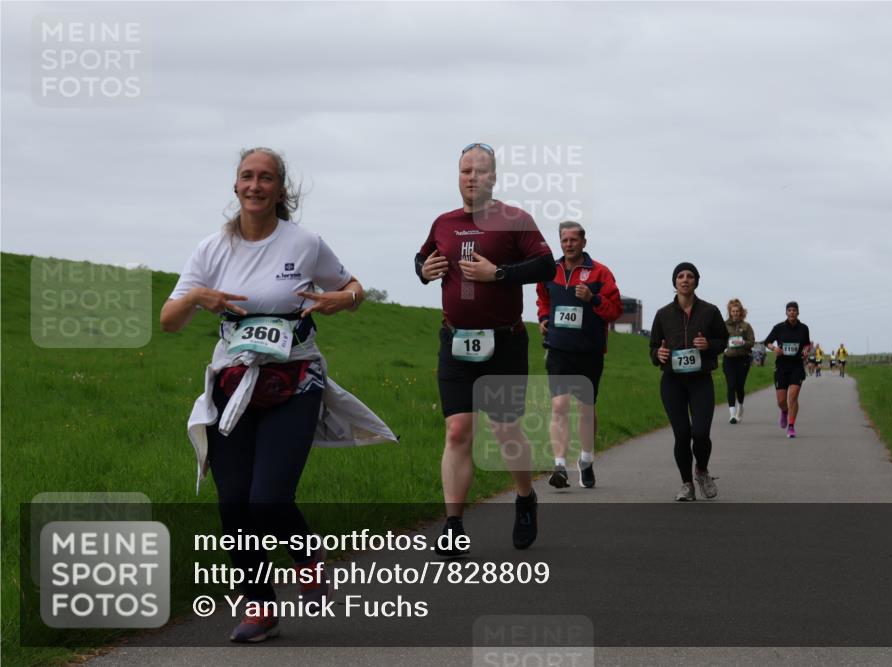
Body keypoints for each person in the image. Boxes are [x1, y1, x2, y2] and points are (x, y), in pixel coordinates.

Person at [161, 147, 396, 643]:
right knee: (233, 504)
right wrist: (199, 298)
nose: (255, 185)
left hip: (295, 378)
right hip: (233, 382)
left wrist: (343, 298)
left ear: (280, 189)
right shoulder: (211, 249)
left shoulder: (305, 243)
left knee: (268, 499)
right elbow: (169, 320)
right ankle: (260, 609)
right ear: (235, 186)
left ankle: (308, 557)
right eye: (247, 176)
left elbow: (352, 287)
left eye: (265, 178)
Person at [415, 142, 556, 555]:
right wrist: (423, 271)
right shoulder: (444, 222)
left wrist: (500, 274)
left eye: (479, 171)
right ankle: (454, 524)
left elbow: (546, 266)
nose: (471, 177)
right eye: (464, 171)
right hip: (455, 341)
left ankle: (525, 497)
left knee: (506, 430)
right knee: (458, 430)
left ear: (494, 177)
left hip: (505, 343)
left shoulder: (515, 220)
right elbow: (422, 258)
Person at [536, 221, 623, 489]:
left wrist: (593, 299)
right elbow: (543, 298)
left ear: (584, 242)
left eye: (574, 240)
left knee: (586, 409)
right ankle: (559, 466)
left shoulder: (600, 273)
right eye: (564, 240)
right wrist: (543, 317)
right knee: (559, 406)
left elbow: (615, 310)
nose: (569, 244)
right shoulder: (550, 270)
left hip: (589, 351)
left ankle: (585, 460)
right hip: (559, 349)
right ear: (560, 242)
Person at [650, 262, 728, 501]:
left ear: (696, 281)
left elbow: (722, 340)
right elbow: (653, 347)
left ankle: (702, 471)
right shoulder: (663, 314)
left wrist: (709, 346)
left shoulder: (710, 311)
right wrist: (658, 355)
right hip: (672, 382)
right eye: (680, 276)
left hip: (700, 380)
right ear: (674, 282)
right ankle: (686, 484)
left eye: (690, 276)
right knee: (682, 434)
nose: (685, 279)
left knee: (701, 432)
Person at [764, 302, 811, 439]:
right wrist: (774, 349)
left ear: (798, 312)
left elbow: (807, 343)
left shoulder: (804, 328)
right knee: (781, 401)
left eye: (794, 310)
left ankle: (791, 426)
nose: (791, 313)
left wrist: (806, 349)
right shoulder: (779, 328)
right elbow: (767, 341)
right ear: (786, 313)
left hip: (797, 366)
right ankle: (784, 411)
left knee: (793, 396)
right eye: (789, 310)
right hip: (782, 367)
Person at [722, 298, 755, 424]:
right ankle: (732, 415)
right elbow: (721, 340)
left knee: (739, 386)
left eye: (737, 311)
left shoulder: (746, 326)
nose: (735, 313)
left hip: (743, 359)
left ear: (741, 312)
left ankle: (740, 406)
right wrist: (724, 346)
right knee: (731, 385)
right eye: (733, 311)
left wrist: (742, 342)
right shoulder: (724, 325)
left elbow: (751, 342)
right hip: (729, 359)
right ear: (730, 312)